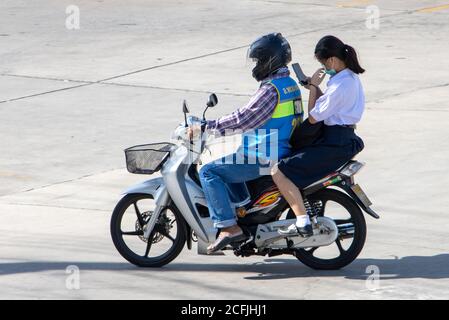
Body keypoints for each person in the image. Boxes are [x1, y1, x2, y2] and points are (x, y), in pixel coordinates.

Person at [189, 33, 303, 253]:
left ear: (270, 60)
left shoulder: (271, 89)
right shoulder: (288, 84)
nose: (257, 65)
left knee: (209, 172)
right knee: (225, 160)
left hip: (265, 154)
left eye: (259, 60)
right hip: (277, 148)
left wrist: (207, 126)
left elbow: (244, 119)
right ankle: (243, 210)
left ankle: (229, 228)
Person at [271, 35, 366, 236]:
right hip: (343, 138)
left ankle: (302, 220)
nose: (324, 66)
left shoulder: (340, 86)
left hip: (334, 143)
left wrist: (313, 87)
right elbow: (330, 107)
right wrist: (314, 87)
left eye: (323, 62)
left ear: (331, 60)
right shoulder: (348, 78)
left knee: (279, 171)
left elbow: (313, 117)